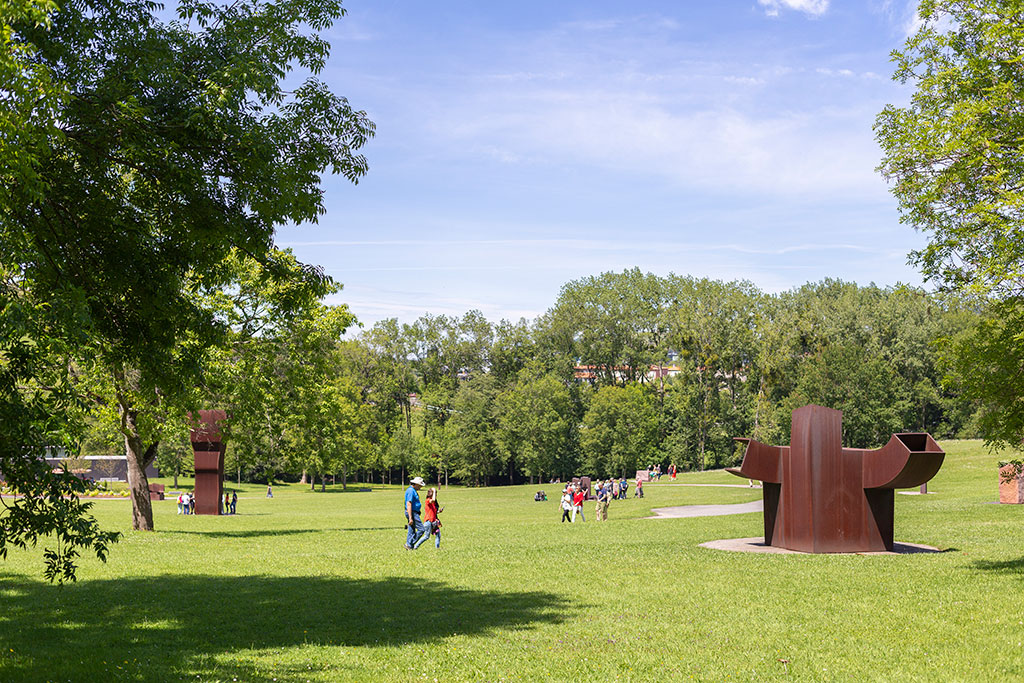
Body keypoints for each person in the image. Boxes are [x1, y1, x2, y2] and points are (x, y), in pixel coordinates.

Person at [404, 476, 429, 549]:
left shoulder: (412, 490)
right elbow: (409, 503)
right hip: (412, 513)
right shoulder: (411, 491)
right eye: (420, 485)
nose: (421, 487)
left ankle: (409, 546)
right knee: (421, 529)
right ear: (416, 484)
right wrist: (411, 517)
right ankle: (410, 544)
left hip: (414, 512)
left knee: (411, 530)